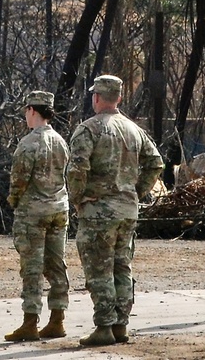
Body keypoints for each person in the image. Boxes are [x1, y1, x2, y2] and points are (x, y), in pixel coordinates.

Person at [66, 74, 163, 347]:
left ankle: (104, 325)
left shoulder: (89, 129)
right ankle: (121, 324)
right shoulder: (133, 130)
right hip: (127, 210)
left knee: (99, 268)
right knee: (122, 266)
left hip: (98, 211)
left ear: (96, 97)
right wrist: (136, 191)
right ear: (119, 97)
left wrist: (78, 198)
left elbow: (77, 169)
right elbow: (155, 163)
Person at [4, 90, 70, 342]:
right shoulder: (61, 141)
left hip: (33, 212)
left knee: (31, 269)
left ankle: (30, 321)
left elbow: (18, 180)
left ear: (32, 110)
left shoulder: (28, 143)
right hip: (58, 208)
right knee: (56, 265)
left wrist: (14, 200)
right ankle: (57, 319)